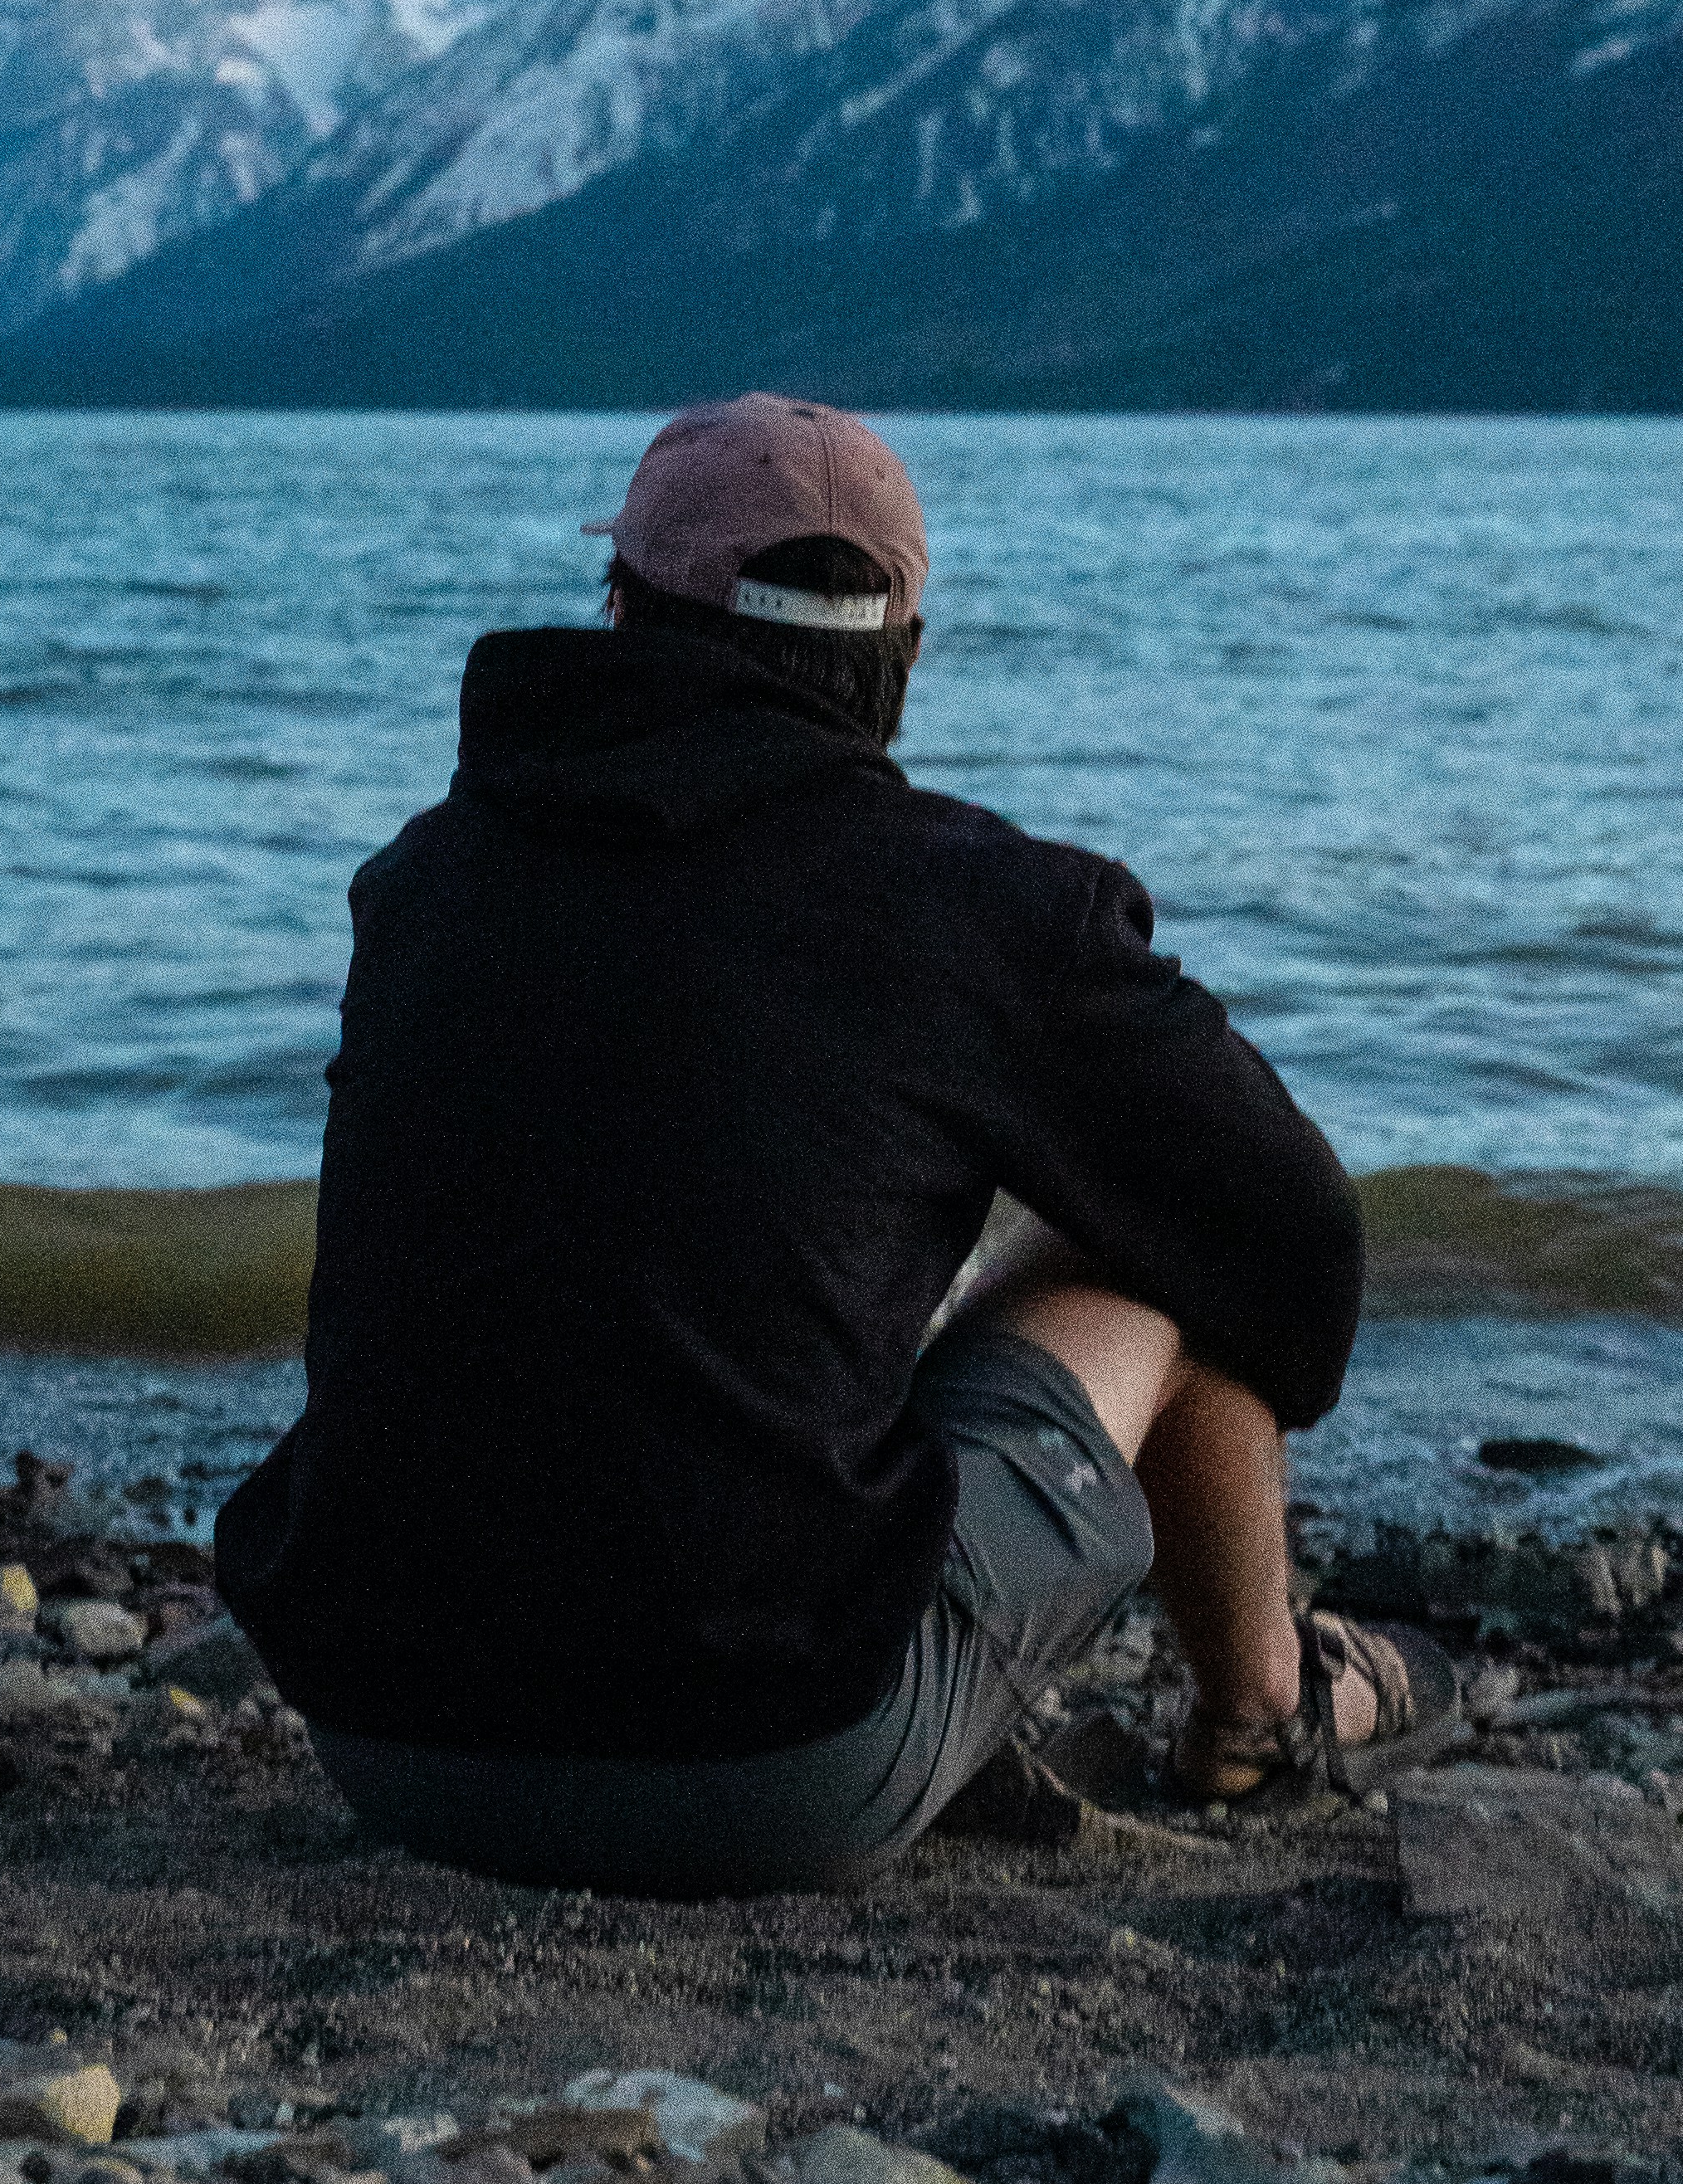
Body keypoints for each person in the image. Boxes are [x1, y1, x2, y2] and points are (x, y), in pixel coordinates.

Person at [213, 392, 1448, 1894]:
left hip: (384, 1733)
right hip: (767, 1772)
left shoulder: (422, 879)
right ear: (901, 661)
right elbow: (1289, 1228)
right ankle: (1266, 1703)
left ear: (619, 611)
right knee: (1166, 1220)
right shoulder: (982, 907)